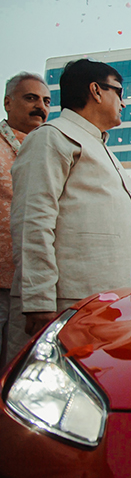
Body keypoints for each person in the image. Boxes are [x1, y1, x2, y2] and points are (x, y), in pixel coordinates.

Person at [9, 59, 131, 359]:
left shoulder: (101, 147)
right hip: (66, 305)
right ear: (96, 91)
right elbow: (33, 221)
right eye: (119, 92)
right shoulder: (51, 137)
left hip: (105, 304)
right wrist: (38, 299)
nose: (123, 103)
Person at [1, 72, 51, 365]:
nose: (40, 107)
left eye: (46, 101)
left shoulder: (50, 149)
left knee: (20, 370)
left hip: (31, 287)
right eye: (31, 98)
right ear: (8, 103)